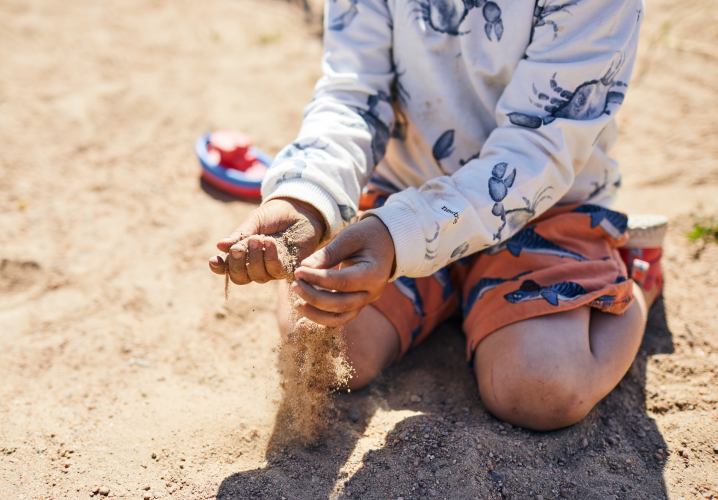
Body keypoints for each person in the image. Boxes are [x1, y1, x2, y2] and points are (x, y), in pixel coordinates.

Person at [209, 0, 665, 431]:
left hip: (543, 206)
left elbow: (539, 148)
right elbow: (352, 95)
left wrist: (401, 238)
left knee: (541, 388)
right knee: (322, 349)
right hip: (400, 197)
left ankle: (636, 276)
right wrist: (307, 199)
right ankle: (454, 291)